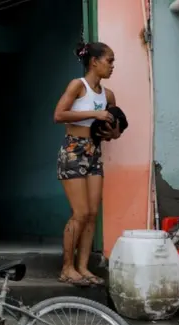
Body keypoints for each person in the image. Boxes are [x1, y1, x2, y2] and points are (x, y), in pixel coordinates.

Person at [53, 42, 121, 287]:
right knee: (79, 213)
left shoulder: (108, 95)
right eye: (109, 61)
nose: (112, 66)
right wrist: (94, 114)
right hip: (73, 150)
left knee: (92, 213)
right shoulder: (77, 86)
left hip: (94, 151)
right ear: (94, 62)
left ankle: (82, 267)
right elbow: (59, 115)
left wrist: (112, 130)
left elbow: (114, 130)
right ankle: (66, 268)